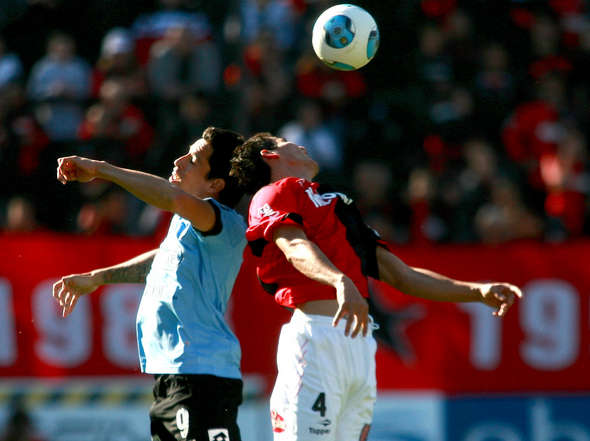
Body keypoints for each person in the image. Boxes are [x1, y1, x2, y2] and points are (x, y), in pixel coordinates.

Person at [229, 133, 522, 440]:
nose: (298, 144)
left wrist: (476, 291)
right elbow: (293, 246)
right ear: (269, 155)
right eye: (283, 140)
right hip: (317, 340)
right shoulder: (273, 193)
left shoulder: (337, 204)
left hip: (360, 348)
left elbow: (401, 275)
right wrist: (338, 279)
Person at [52, 127, 246, 441]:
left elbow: (171, 197)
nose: (179, 161)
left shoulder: (225, 222)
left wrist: (101, 169)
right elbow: (163, 258)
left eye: (193, 160)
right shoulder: (188, 223)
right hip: (173, 378)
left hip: (201, 378)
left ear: (215, 185)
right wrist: (99, 277)